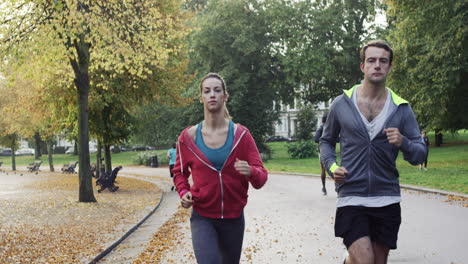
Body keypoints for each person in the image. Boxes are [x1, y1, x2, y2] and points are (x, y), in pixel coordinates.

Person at [320, 40, 426, 264]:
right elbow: (326, 141)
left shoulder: (401, 108)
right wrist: (332, 167)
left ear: (389, 67)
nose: (377, 65)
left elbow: (420, 154)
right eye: (371, 60)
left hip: (387, 197)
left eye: (383, 61)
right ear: (362, 66)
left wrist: (403, 142)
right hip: (351, 195)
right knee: (365, 260)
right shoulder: (341, 104)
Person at [173, 72, 268, 264]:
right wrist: (183, 192)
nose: (212, 95)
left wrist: (251, 171)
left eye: (217, 90)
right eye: (207, 91)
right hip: (203, 216)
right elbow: (179, 172)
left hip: (234, 217)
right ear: (201, 98)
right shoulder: (188, 137)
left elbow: (261, 177)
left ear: (225, 96)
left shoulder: (241, 135)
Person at [314, 114, 328, 195]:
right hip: (328, 151)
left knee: (324, 169)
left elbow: (316, 139)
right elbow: (316, 139)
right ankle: (337, 186)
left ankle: (324, 187)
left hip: (322, 151)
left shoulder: (321, 128)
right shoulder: (327, 128)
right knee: (332, 167)